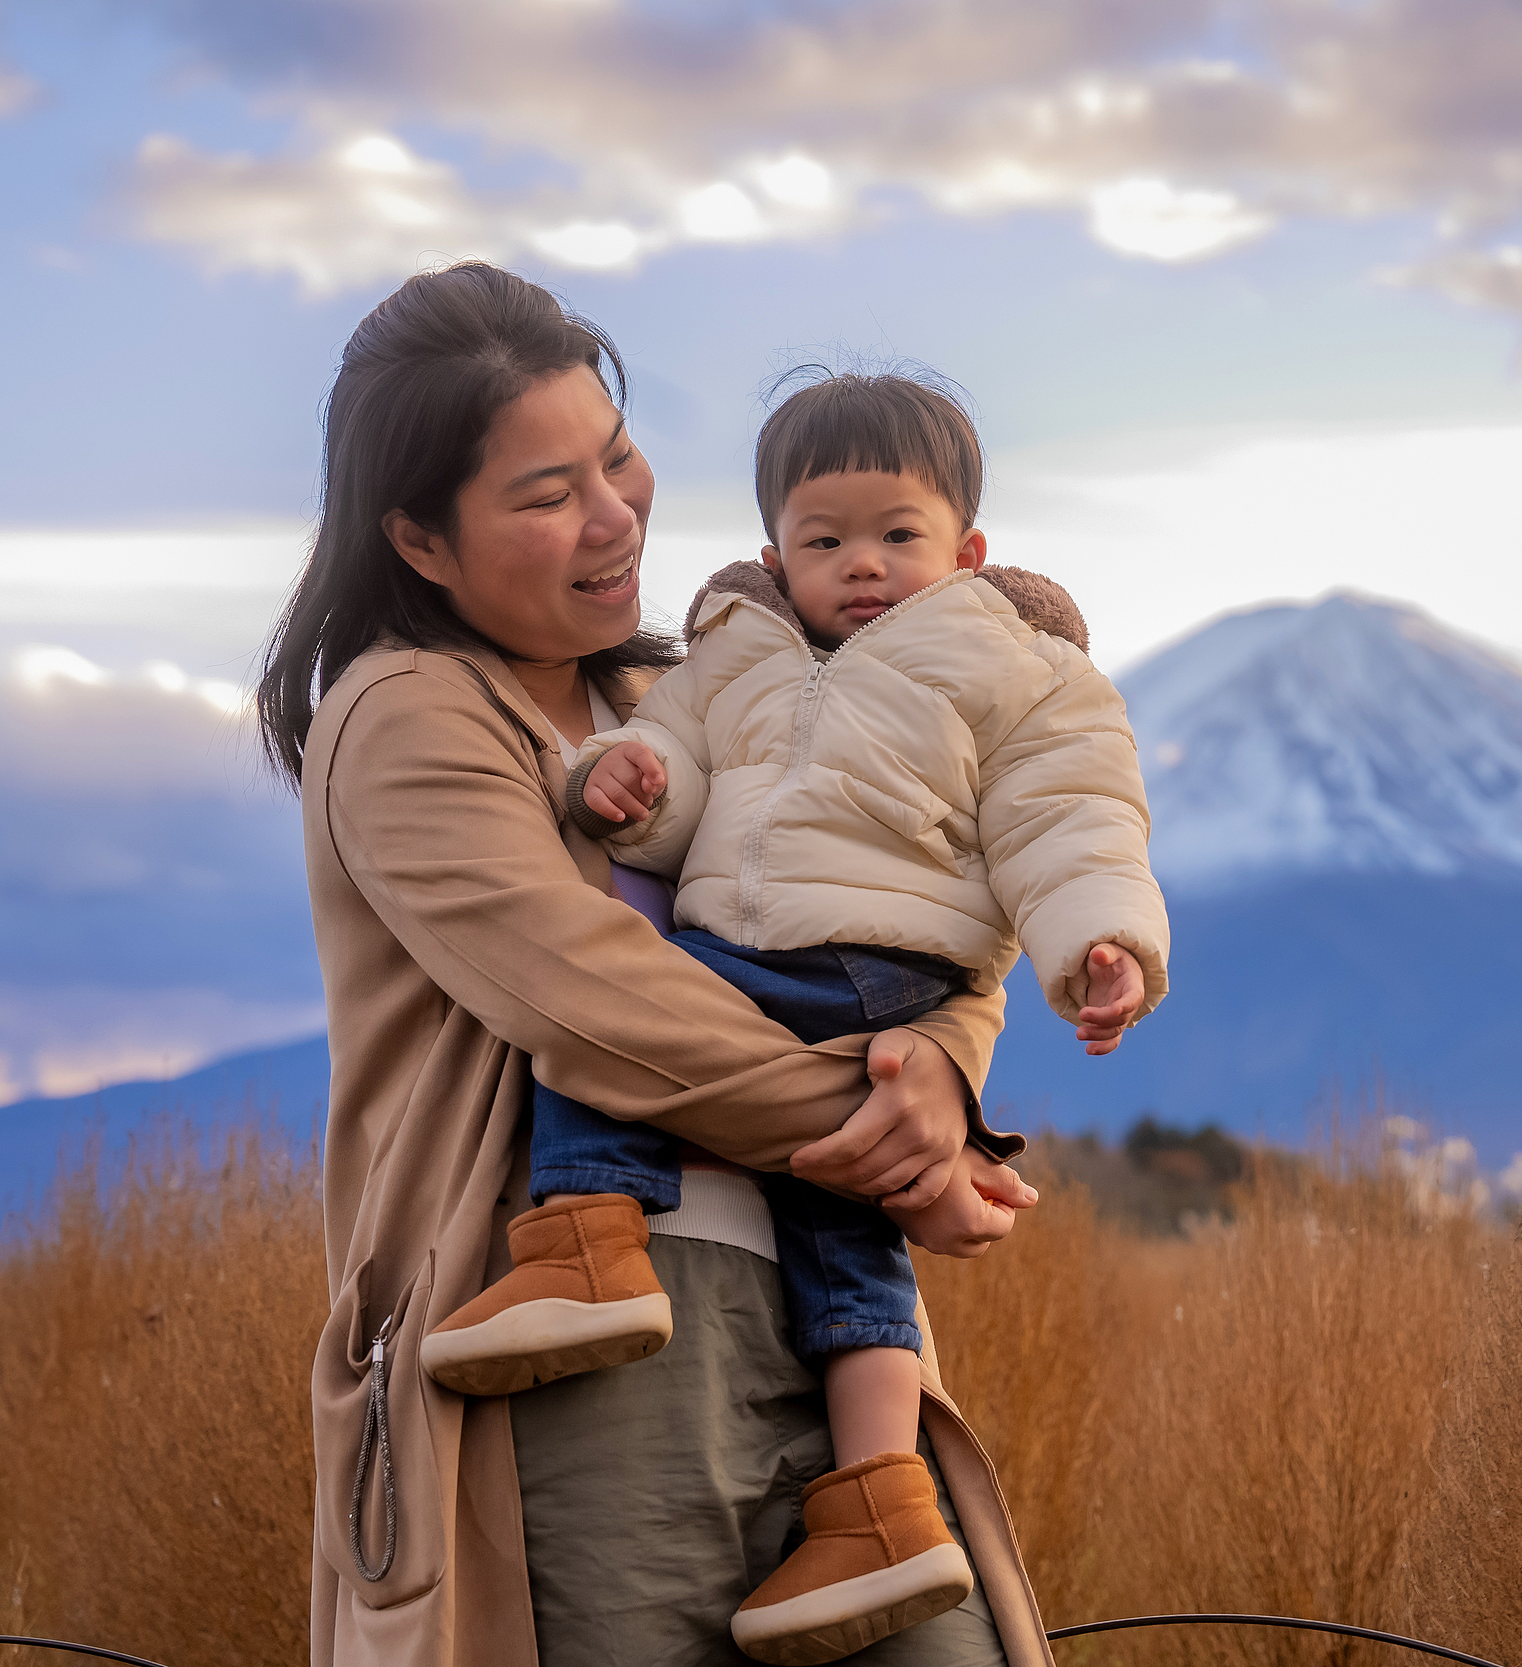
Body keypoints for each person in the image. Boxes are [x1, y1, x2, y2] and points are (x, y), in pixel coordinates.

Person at [262, 260, 1051, 1667]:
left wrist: (941, 1061)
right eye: (546, 492)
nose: (616, 513)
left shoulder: (686, 695)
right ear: (421, 542)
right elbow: (606, 1005)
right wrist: (903, 1148)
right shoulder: (403, 719)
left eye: (617, 459)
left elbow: (934, 884)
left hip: (831, 1323)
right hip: (586, 1356)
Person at [419, 373, 1170, 1664]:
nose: (862, 568)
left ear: (968, 553)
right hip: (782, 975)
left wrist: (1099, 942)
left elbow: (1070, 816)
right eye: (825, 542)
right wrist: (624, 787)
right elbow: (679, 789)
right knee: (845, 1231)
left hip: (880, 969)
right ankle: (878, 1498)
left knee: (623, 1023)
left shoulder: (1011, 667)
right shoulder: (731, 658)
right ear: (775, 553)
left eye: (898, 538)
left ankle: (587, 1234)